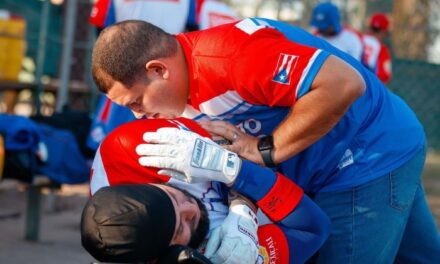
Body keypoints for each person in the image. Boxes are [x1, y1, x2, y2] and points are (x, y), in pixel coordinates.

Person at [91, 17, 440, 263]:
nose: (137, 114)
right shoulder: (182, 91)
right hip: (363, 149)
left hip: (364, 156)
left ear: (158, 70)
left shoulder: (229, 59)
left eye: (136, 101)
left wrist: (264, 149)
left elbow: (344, 84)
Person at [84, 117, 330, 263]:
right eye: (181, 226)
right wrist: (245, 208)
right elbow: (313, 230)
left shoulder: (133, 149)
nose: (190, 208)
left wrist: (234, 173)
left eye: (173, 196)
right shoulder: (219, 255)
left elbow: (233, 145)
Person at [362, 12, 392, 83]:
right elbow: (384, 76)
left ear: (369, 28)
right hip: (367, 87)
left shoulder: (357, 40)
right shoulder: (381, 49)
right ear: (384, 32)